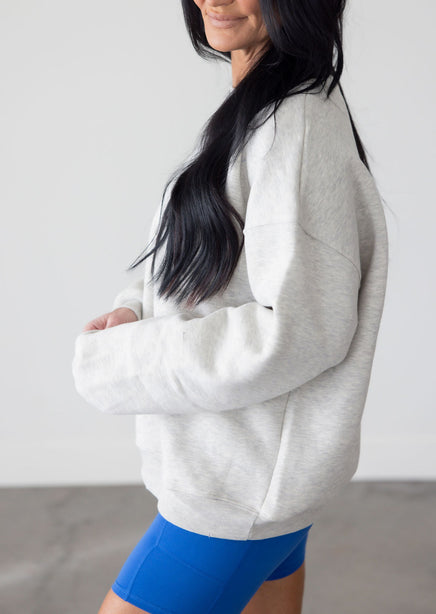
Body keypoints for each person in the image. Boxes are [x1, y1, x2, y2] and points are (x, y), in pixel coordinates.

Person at [72, 1, 389, 613]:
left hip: (236, 494)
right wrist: (135, 311)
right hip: (256, 477)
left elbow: (300, 327)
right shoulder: (267, 109)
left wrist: (119, 361)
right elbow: (225, 269)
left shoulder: (294, 126)